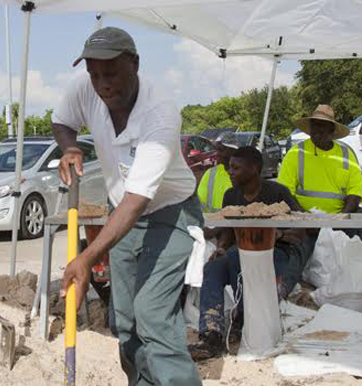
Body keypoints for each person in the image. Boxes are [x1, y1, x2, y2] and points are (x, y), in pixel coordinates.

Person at [52, 26, 203, 386]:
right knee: (124, 320)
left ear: (134, 63)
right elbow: (62, 121)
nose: (102, 84)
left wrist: (86, 258)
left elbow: (138, 200)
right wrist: (69, 147)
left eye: (111, 73)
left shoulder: (160, 112)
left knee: (151, 312)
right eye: (95, 75)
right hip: (121, 212)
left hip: (170, 213)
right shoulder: (85, 86)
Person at [188, 147, 315, 361]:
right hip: (239, 250)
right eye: (230, 167)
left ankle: (241, 320)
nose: (230, 172)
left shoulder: (277, 193)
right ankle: (211, 335)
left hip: (275, 253)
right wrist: (221, 246)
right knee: (212, 268)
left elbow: (301, 226)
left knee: (239, 260)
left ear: (254, 169)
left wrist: (279, 234)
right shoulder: (231, 195)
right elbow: (228, 230)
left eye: (236, 168)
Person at [278, 105, 362, 232]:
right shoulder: (296, 153)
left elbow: (356, 192)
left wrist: (342, 217)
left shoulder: (346, 154)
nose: (316, 129)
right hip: (303, 224)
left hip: (339, 221)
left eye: (322, 125)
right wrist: (306, 219)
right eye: (314, 125)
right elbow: (285, 193)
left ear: (332, 129)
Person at [197, 132, 237, 213]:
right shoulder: (210, 173)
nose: (217, 153)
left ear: (232, 151)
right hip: (211, 223)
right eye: (216, 149)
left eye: (221, 150)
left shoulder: (242, 174)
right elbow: (200, 202)